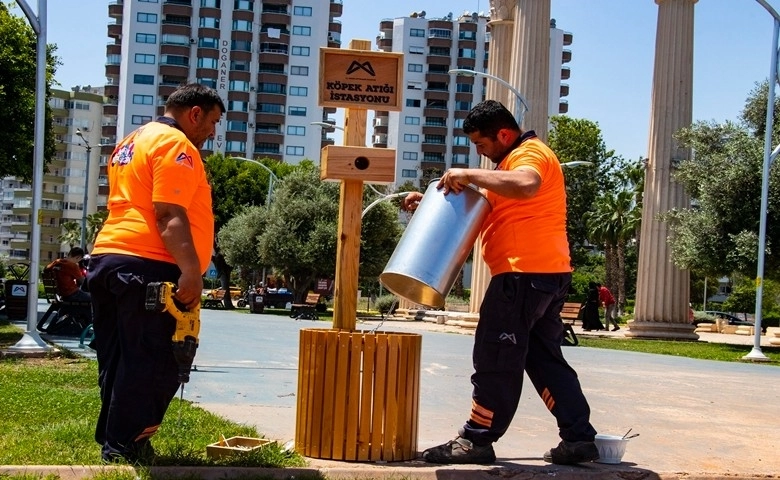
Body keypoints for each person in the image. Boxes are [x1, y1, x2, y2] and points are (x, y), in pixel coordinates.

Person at [402, 100, 599, 466]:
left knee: (496, 356)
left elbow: (526, 185)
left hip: (521, 277)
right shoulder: (506, 166)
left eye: (481, 144)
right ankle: (579, 438)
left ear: (504, 134)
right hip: (546, 275)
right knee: (544, 360)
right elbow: (488, 207)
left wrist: (470, 173)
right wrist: (429, 202)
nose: (479, 152)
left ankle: (477, 440)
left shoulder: (530, 155)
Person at [86, 83, 225, 463]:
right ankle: (125, 447)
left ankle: (117, 441)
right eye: (212, 122)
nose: (212, 133)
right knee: (154, 358)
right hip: (149, 263)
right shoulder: (176, 145)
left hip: (109, 258)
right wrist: (192, 271)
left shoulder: (130, 142)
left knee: (118, 359)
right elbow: (168, 214)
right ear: (194, 113)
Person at [45, 246, 92, 321]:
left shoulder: (57, 262)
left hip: (63, 294)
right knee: (96, 298)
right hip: (72, 294)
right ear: (78, 257)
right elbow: (83, 281)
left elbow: (46, 269)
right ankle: (89, 322)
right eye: (79, 260)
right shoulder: (72, 265)